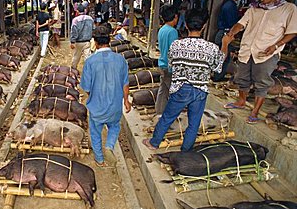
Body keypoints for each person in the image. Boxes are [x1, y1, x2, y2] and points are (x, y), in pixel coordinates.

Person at [143, 9, 227, 152]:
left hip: (181, 88)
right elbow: (218, 67)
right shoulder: (212, 48)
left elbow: (171, 65)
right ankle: (186, 150)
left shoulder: (176, 45)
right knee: (194, 123)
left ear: (186, 26)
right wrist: (224, 45)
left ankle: (154, 143)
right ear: (204, 26)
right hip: (200, 90)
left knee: (168, 117)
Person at [223, 0, 297, 124]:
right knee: (242, 78)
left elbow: (292, 31)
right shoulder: (253, 9)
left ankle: (255, 111)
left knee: (261, 82)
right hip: (247, 50)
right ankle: (241, 101)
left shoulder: (288, 9)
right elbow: (241, 23)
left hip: (266, 53)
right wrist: (232, 32)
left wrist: (277, 45)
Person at [80, 24, 131, 167]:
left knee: (95, 132)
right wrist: (126, 101)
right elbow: (125, 83)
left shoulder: (90, 62)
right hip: (115, 106)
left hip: (97, 107)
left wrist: (94, 95)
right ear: (109, 40)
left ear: (95, 43)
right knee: (115, 126)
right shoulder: (120, 59)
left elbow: (86, 88)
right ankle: (109, 145)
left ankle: (100, 159)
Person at [212, 0, 243, 82]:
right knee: (223, 58)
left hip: (223, 32)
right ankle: (217, 77)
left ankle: (218, 76)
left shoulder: (228, 4)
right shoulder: (230, 6)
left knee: (224, 57)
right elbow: (232, 23)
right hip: (225, 33)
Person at [155, 5, 179, 114]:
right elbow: (173, 52)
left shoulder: (162, 29)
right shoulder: (172, 32)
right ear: (175, 17)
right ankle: (171, 114)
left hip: (162, 63)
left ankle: (159, 111)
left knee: (163, 90)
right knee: (174, 92)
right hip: (169, 66)